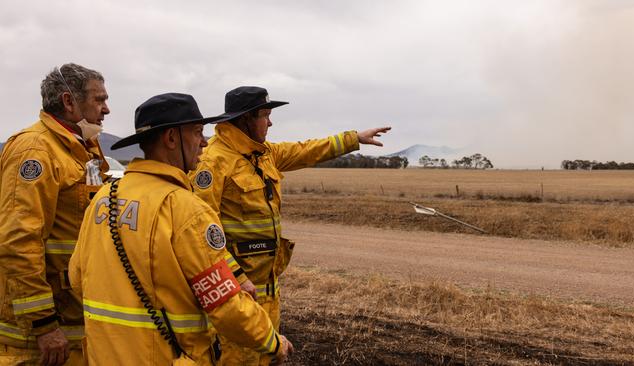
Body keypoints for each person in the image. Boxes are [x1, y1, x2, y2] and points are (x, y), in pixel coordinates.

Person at [69, 93, 293, 365]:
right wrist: (272, 342)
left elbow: (77, 278)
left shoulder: (104, 198)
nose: (204, 142)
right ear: (171, 139)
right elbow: (226, 305)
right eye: (197, 132)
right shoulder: (186, 210)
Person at [190, 86, 390, 365]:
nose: (270, 123)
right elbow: (201, 233)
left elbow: (307, 150)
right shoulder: (213, 161)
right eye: (265, 115)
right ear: (246, 118)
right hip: (237, 296)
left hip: (268, 293)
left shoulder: (264, 154)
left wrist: (353, 139)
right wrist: (236, 277)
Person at [0, 63, 110, 366]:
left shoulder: (81, 149)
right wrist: (42, 324)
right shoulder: (35, 150)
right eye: (99, 100)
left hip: (73, 322)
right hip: (39, 340)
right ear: (68, 101)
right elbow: (18, 241)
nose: (107, 109)